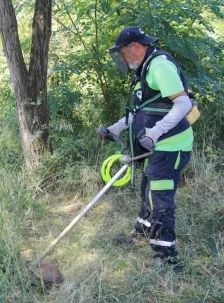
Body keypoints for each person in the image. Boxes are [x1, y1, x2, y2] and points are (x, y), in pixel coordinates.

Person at [98, 26, 194, 269]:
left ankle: (167, 257)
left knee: (160, 196)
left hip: (171, 144)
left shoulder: (159, 66)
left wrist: (155, 132)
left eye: (122, 52)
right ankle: (142, 230)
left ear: (136, 47)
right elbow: (143, 111)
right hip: (156, 146)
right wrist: (113, 129)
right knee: (147, 187)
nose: (121, 58)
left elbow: (183, 103)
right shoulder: (144, 71)